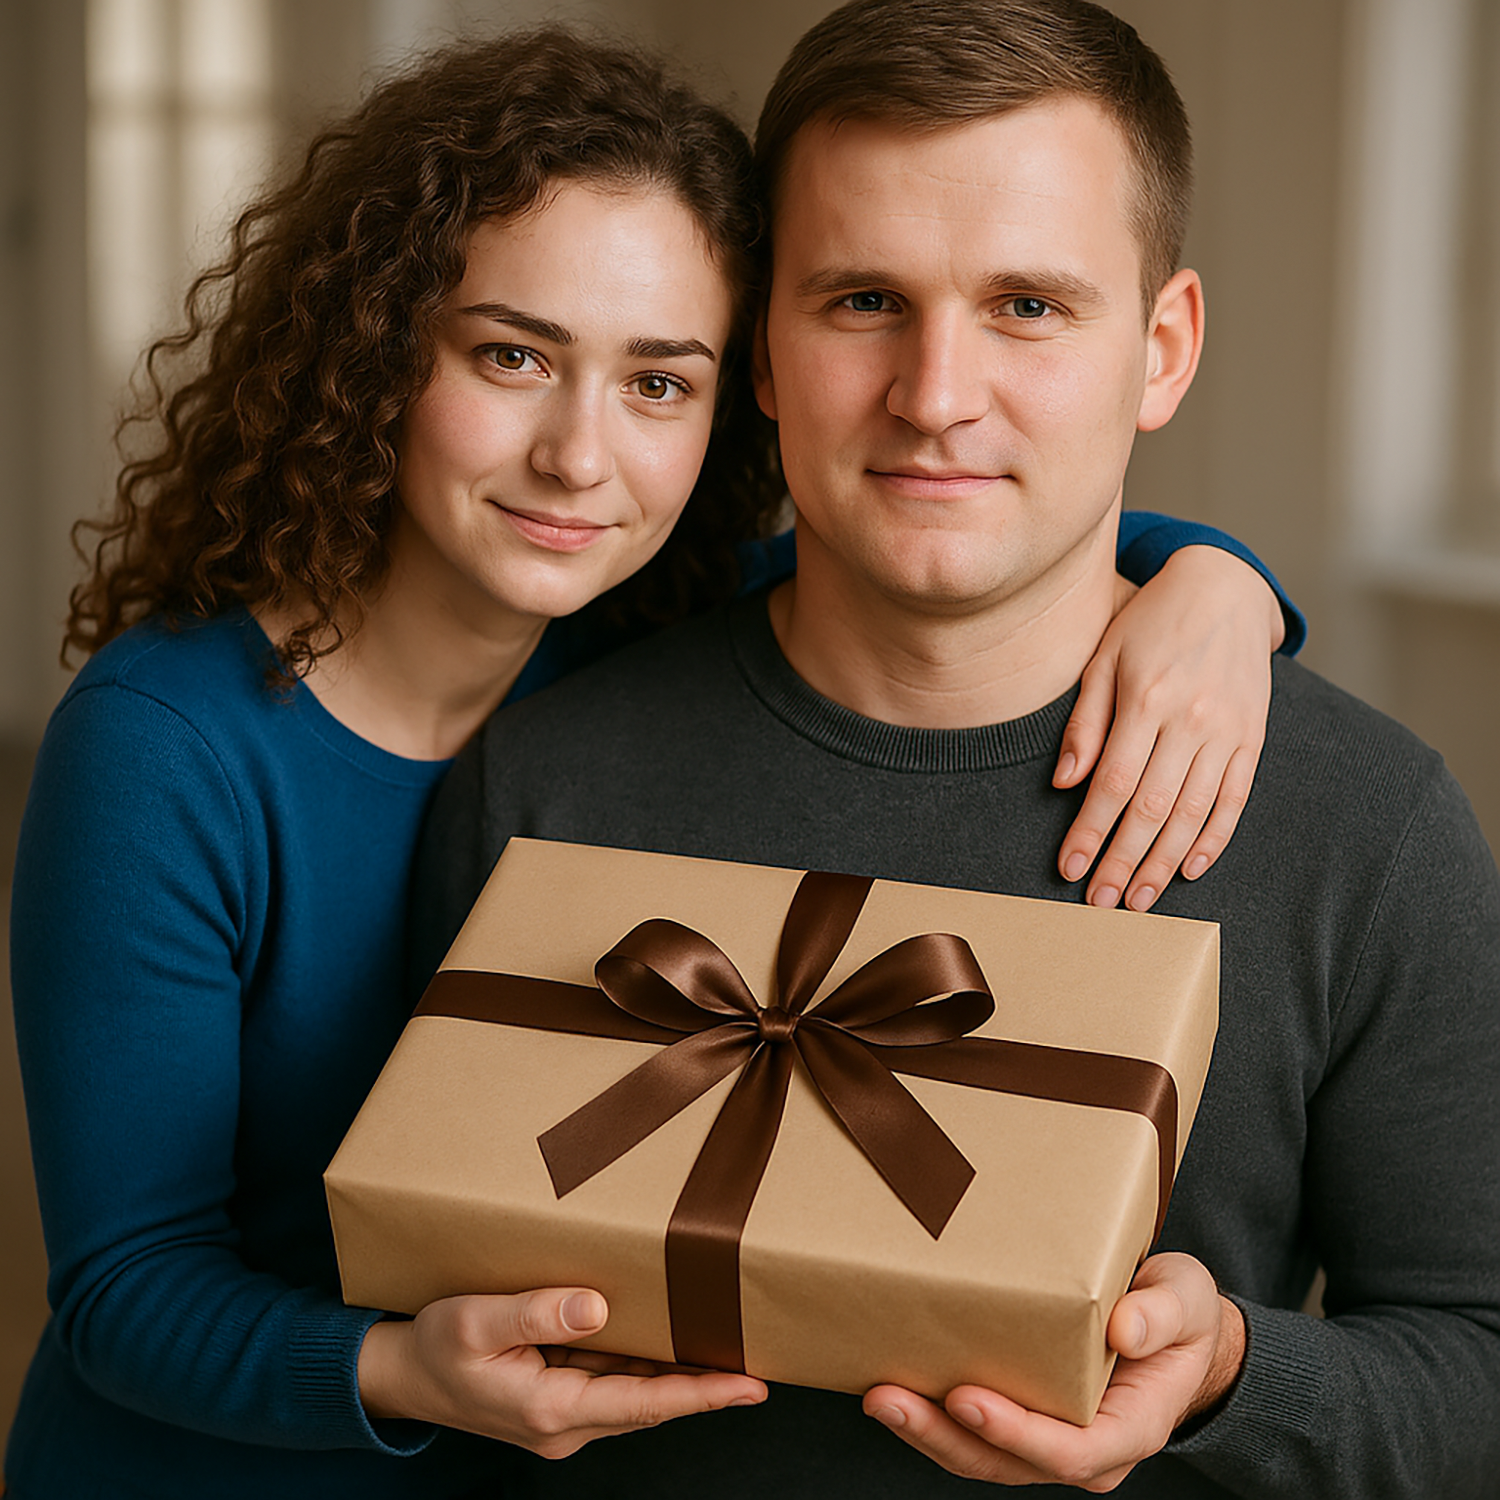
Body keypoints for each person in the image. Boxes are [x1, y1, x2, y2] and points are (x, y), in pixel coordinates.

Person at [5, 23, 1304, 1500]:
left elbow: (965, 530)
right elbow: (121, 1292)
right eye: (513, 356)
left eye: (658, 382)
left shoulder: (635, 638)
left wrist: (1216, 582)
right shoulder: (167, 749)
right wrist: (398, 1372)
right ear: (373, 353)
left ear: (735, 392)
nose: (579, 456)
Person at [412, 2, 1500, 1496]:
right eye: (862, 301)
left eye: (1030, 308)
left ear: (1162, 348)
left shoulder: (1364, 824)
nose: (935, 399)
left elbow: (1475, 1365)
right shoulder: (546, 778)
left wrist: (1239, 1372)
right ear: (764, 355)